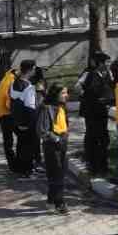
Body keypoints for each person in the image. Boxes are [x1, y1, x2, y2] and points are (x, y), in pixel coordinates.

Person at [37, 81, 70, 213]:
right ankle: (59, 203)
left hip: (62, 142)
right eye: (63, 93)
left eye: (66, 92)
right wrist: (55, 138)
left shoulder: (62, 107)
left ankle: (51, 200)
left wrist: (65, 137)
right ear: (55, 94)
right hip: (52, 144)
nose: (66, 95)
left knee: (60, 172)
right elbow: (42, 129)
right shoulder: (47, 108)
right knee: (56, 174)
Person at [0, 60, 32, 173]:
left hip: (2, 113)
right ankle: (17, 165)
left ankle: (14, 164)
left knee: (8, 140)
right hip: (7, 114)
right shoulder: (11, 81)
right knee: (21, 137)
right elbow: (9, 102)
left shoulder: (8, 77)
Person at [9, 62, 39, 177]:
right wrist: (31, 123)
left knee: (20, 145)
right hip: (27, 121)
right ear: (30, 70)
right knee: (29, 146)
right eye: (34, 69)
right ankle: (28, 170)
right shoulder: (29, 87)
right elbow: (30, 107)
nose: (35, 71)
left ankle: (20, 168)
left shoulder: (14, 83)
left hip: (16, 120)